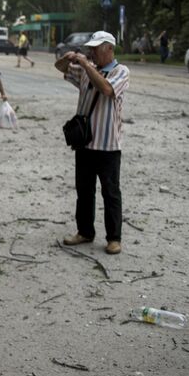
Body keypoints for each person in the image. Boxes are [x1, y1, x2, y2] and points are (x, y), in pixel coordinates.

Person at [55, 30, 130, 255]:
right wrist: (68, 58)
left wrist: (86, 65)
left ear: (109, 48)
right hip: (85, 143)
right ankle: (85, 231)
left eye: (96, 48)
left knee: (111, 192)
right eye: (90, 49)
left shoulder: (121, 71)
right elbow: (61, 69)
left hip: (108, 146)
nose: (92, 52)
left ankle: (114, 238)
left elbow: (107, 89)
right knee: (84, 191)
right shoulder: (88, 70)